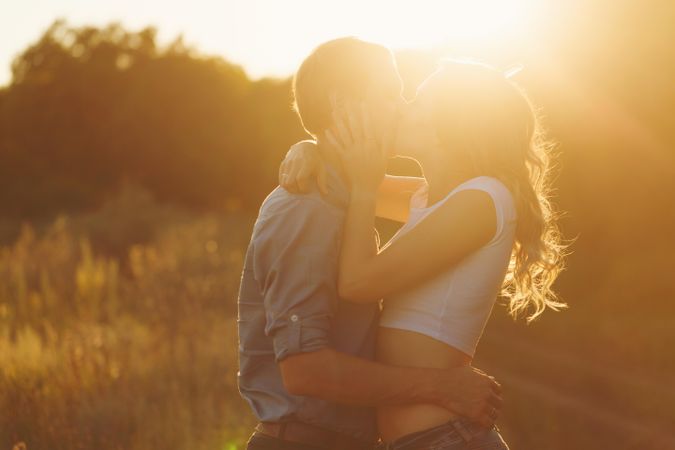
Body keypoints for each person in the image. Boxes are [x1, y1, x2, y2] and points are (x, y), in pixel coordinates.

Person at [279, 59, 568, 449]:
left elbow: (358, 282)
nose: (399, 107)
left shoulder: (483, 199)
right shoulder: (432, 195)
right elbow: (336, 178)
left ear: (449, 125)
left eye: (415, 101)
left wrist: (365, 188)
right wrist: (307, 147)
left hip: (448, 438)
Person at [237, 38, 503, 450]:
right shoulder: (309, 206)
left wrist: (314, 149)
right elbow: (306, 372)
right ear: (343, 103)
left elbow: (442, 197)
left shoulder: (347, 195)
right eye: (391, 94)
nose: (400, 106)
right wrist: (441, 386)